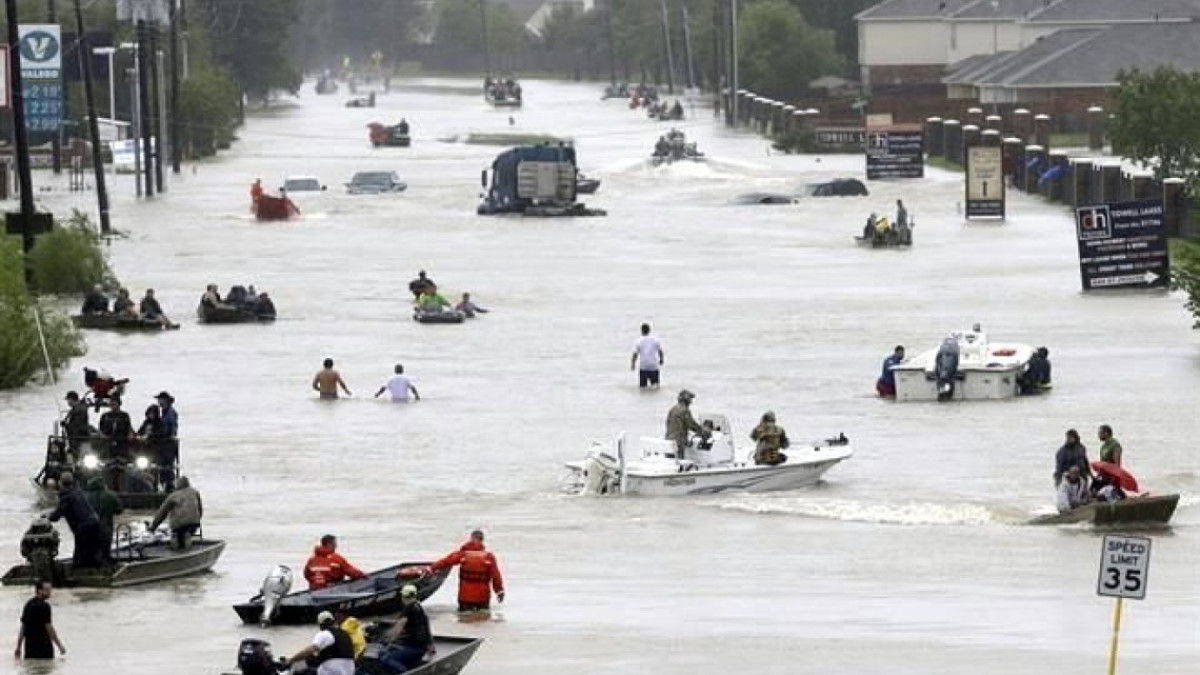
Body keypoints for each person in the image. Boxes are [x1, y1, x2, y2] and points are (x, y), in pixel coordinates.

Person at [427, 530, 505, 612]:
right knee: (482, 620)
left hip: (465, 597)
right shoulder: (489, 557)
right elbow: (496, 576)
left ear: (471, 539)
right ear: (482, 541)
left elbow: (446, 562)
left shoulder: (463, 554)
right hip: (483, 597)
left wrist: (431, 569)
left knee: (464, 620)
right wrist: (499, 591)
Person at [47, 473, 104, 569]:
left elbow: (56, 516)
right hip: (95, 522)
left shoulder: (66, 496)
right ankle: (97, 570)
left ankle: (77, 573)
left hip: (83, 527)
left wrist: (47, 517)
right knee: (93, 551)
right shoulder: (78, 491)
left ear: (61, 483)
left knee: (80, 553)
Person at [377, 585, 436, 673]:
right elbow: (426, 626)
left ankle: (405, 672)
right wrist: (431, 645)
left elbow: (399, 627)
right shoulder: (419, 607)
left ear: (403, 597)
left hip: (412, 648)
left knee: (385, 658)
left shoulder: (408, 609)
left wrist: (388, 640)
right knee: (388, 653)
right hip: (422, 649)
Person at [284, 611, 356, 675]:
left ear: (320, 625)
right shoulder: (345, 634)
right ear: (333, 621)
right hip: (349, 670)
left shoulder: (324, 634)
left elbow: (310, 650)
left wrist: (290, 660)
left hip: (332, 671)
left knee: (300, 672)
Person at [14, 580, 65, 660]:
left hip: (29, 648)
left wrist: (18, 647)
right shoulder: (45, 606)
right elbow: (49, 628)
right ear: (39, 590)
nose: (49, 592)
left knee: (31, 670)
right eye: (47, 589)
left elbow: (23, 627)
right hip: (43, 648)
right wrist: (59, 645)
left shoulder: (28, 604)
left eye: (50, 589)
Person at [148, 476, 202, 549]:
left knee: (176, 535)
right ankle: (187, 537)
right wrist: (197, 519)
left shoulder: (173, 496)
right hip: (194, 523)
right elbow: (200, 509)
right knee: (187, 532)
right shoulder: (195, 492)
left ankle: (176, 540)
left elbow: (162, 513)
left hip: (179, 525)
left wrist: (153, 527)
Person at [84, 477, 123, 563]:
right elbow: (119, 510)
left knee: (91, 551)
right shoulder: (111, 495)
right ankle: (106, 567)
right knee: (105, 551)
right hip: (106, 526)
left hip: (89, 528)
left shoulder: (85, 497)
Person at [665, 390, 707, 457]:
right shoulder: (684, 410)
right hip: (678, 443)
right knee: (680, 459)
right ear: (686, 400)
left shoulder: (673, 409)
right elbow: (691, 425)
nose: (691, 402)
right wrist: (703, 432)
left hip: (669, 440)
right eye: (690, 399)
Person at [631, 323, 664, 389]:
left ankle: (644, 399)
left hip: (643, 366)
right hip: (654, 366)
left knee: (642, 388)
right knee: (655, 387)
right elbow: (660, 351)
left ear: (641, 330)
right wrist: (661, 359)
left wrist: (633, 364)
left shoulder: (638, 341)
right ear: (649, 330)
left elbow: (635, 354)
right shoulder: (655, 340)